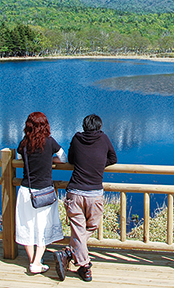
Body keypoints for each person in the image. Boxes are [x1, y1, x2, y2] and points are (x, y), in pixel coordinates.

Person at [54, 114, 117, 282]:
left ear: (84, 126)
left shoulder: (76, 138)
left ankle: (69, 252)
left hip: (74, 192)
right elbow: (113, 158)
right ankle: (85, 267)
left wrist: (86, 163)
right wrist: (98, 164)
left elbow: (72, 159)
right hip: (94, 194)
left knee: (79, 229)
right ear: (99, 126)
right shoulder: (103, 139)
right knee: (92, 226)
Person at [15, 112, 67, 274]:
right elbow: (64, 158)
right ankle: (36, 262)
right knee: (44, 227)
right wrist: (50, 160)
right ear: (45, 125)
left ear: (28, 126)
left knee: (27, 226)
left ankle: (33, 260)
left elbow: (18, 159)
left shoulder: (23, 143)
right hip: (45, 192)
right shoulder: (50, 143)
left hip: (26, 192)